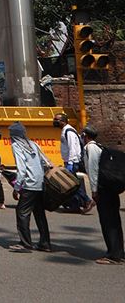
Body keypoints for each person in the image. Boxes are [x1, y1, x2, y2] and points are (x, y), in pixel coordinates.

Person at [8, 122, 51, 252]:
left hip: (29, 184)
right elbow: (45, 162)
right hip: (39, 183)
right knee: (39, 213)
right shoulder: (33, 144)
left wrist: (17, 188)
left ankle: (25, 243)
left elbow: (21, 170)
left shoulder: (16, 146)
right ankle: (45, 243)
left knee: (22, 212)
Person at [83, 126, 123, 265]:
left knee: (108, 221)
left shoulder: (90, 148)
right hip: (111, 189)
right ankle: (119, 252)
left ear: (85, 136)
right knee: (114, 221)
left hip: (103, 190)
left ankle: (113, 255)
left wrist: (94, 191)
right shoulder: (100, 147)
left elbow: (93, 170)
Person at [54, 112, 93, 213]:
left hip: (72, 162)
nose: (54, 121)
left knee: (71, 185)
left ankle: (87, 200)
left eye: (56, 120)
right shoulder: (65, 130)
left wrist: (70, 162)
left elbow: (73, 147)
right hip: (68, 161)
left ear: (63, 121)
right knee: (71, 184)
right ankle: (75, 205)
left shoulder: (69, 131)